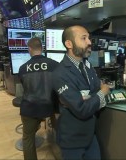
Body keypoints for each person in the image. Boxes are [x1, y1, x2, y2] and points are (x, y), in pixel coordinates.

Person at [52, 25, 110, 159]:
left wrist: (88, 98)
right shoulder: (60, 74)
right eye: (84, 38)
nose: (89, 42)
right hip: (72, 139)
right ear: (69, 44)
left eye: (88, 38)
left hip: (90, 135)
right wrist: (102, 93)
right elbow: (82, 109)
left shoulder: (87, 66)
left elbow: (92, 93)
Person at [18, 37, 59, 160]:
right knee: (60, 132)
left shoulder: (23, 68)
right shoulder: (55, 65)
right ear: (42, 48)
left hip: (30, 108)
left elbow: (24, 89)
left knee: (28, 138)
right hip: (51, 107)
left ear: (29, 49)